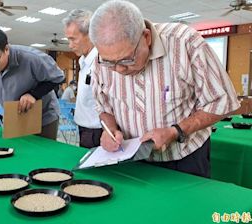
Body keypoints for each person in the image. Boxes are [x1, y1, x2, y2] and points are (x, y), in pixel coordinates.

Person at [89, 0, 241, 178]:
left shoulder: (185, 43)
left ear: (146, 37)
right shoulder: (101, 61)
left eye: (126, 60)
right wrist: (110, 131)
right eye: (109, 62)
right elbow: (104, 107)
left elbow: (222, 101)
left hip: (184, 160)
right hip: (129, 160)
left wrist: (175, 131)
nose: (119, 70)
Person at [0, 26, 64, 139]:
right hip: (14, 116)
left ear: (6, 49)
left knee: (41, 153)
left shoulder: (32, 58)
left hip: (43, 117)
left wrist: (34, 94)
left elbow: (58, 77)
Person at [63, 9, 103, 148]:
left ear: (90, 35)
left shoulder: (101, 62)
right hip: (84, 128)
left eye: (73, 39)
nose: (70, 45)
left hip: (98, 131)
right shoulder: (83, 61)